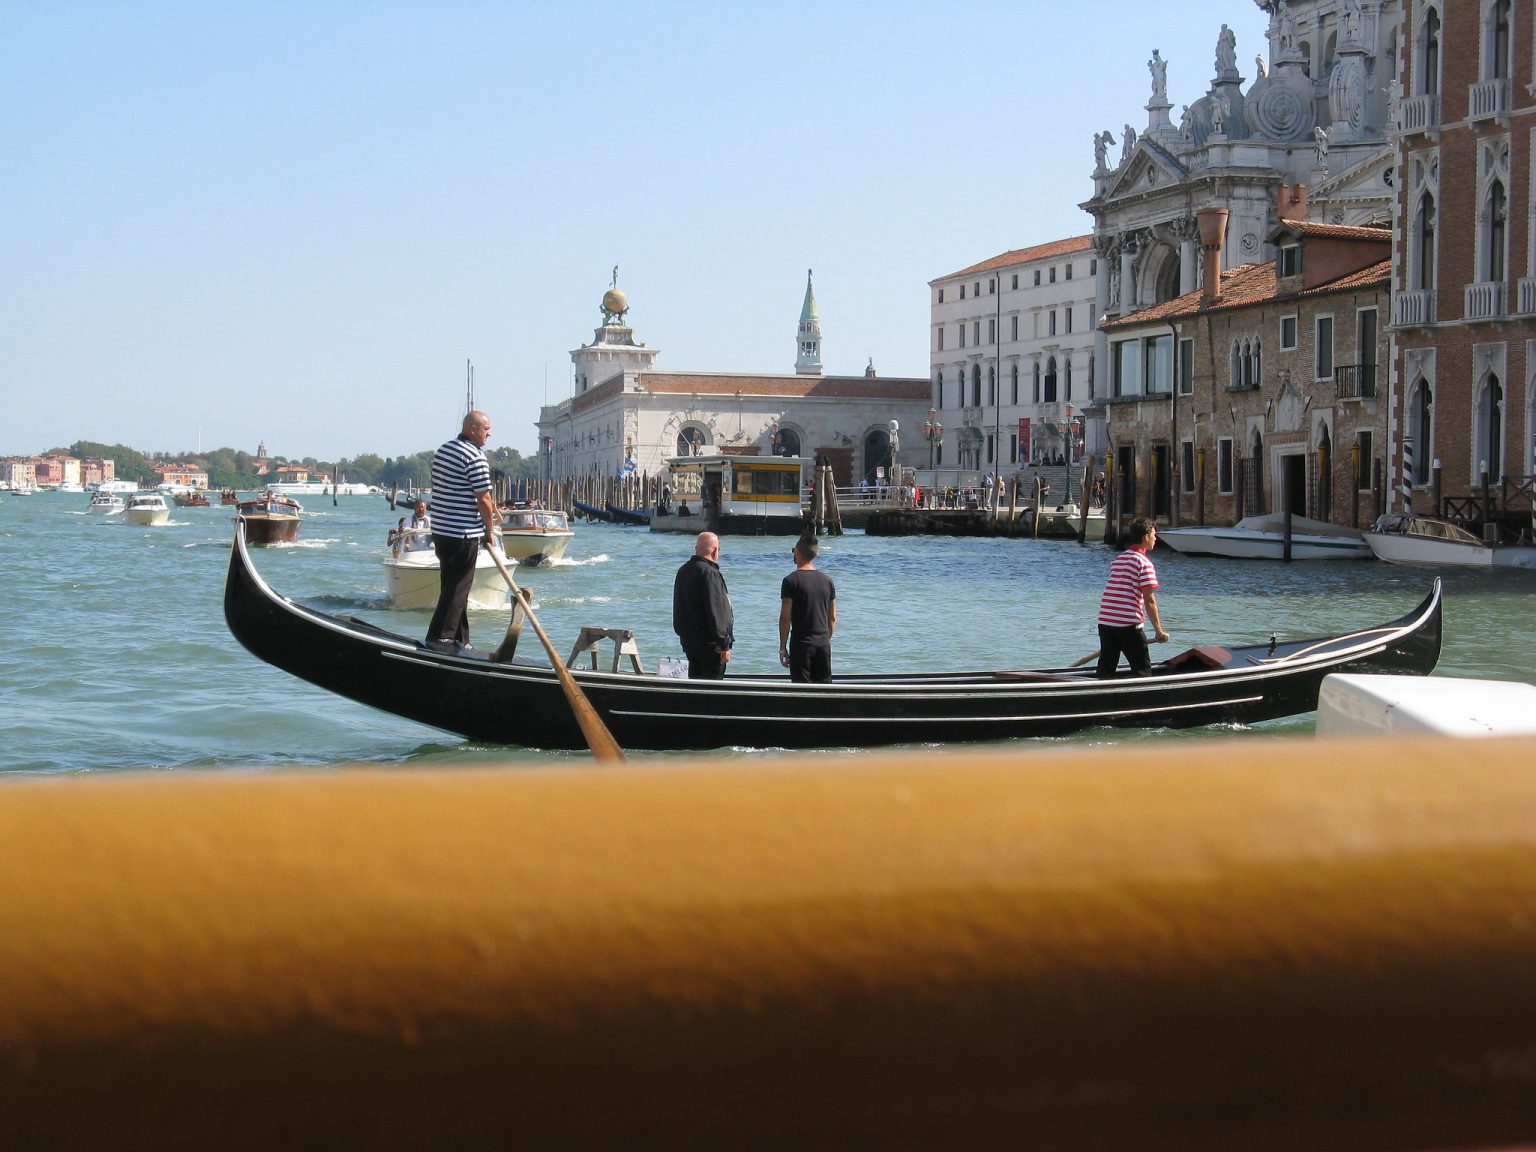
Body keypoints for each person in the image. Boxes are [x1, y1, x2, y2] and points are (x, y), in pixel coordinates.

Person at [425, 410, 497, 653]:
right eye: (486, 429)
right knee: (458, 589)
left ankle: (461, 640)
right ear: (473, 429)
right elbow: (484, 498)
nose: (490, 433)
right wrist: (490, 529)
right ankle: (441, 639)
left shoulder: (443, 450)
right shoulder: (475, 456)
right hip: (463, 532)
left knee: (452, 586)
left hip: (441, 530)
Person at [1095, 516, 1169, 679]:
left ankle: (1099, 698)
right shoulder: (1144, 563)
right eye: (1154, 535)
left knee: (1105, 670)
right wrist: (1159, 632)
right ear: (1146, 537)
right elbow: (1149, 601)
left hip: (1106, 622)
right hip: (1127, 625)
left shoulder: (1119, 559)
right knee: (1142, 669)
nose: (1156, 538)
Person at [673, 531, 734, 679]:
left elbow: (678, 609)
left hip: (690, 643)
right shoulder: (709, 573)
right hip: (710, 646)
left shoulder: (683, 570)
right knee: (712, 689)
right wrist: (724, 644)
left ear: (696, 548)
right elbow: (716, 611)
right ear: (715, 551)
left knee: (696, 686)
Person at [779, 534, 836, 683]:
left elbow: (785, 618)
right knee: (825, 692)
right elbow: (832, 618)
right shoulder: (828, 581)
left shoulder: (790, 581)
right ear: (815, 556)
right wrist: (824, 639)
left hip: (801, 646)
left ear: (797, 552)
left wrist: (782, 647)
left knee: (802, 694)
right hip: (823, 645)